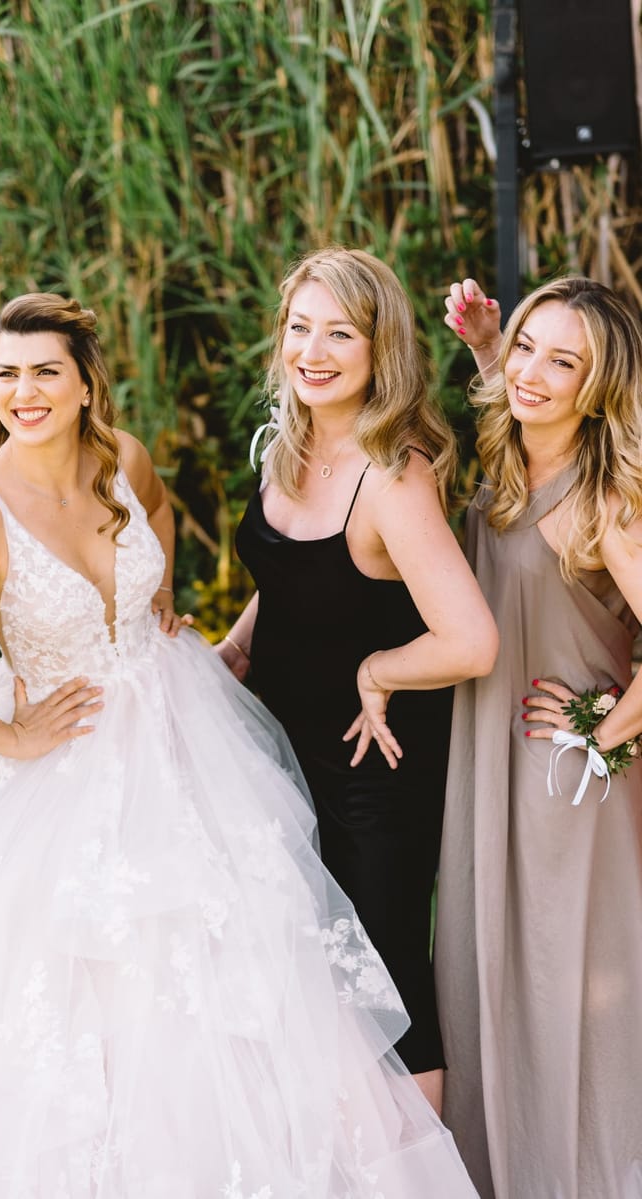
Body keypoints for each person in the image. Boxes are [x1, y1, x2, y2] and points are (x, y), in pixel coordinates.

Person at [0, 291, 481, 1196]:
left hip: (184, 745)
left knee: (250, 979)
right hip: (66, 772)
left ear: (84, 381)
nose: (24, 393)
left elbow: (156, 516)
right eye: (6, 376)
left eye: (44, 373)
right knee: (96, 993)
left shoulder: (122, 459)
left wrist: (158, 602)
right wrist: (14, 739)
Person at [224, 246, 499, 1114]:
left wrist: (379, 669)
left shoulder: (394, 475)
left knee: (383, 980)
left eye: (340, 332)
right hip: (281, 749)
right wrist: (224, 656)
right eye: (300, 328)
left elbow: (471, 639)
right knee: (302, 974)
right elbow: (290, 584)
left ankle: (424, 1174)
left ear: (381, 349)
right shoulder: (287, 446)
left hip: (371, 766)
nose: (313, 349)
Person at [435, 275, 642, 1198]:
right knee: (489, 987)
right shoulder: (508, 461)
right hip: (489, 768)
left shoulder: (610, 501)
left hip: (566, 791)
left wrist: (602, 731)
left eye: (566, 361)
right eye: (529, 348)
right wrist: (493, 346)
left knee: (566, 996)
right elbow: (513, 399)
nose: (534, 373)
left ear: (600, 386)